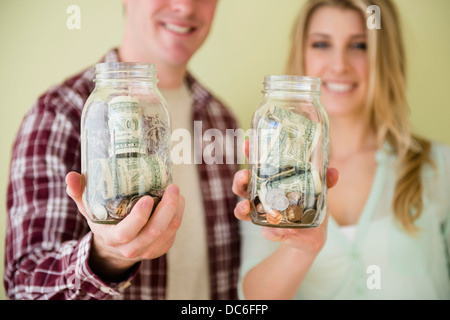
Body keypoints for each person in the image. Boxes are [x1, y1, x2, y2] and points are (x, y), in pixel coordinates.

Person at [5, 0, 240, 300]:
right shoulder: (59, 114)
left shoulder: (222, 119)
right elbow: (24, 288)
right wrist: (107, 260)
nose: (185, 6)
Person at [232, 0, 450, 299]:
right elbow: (253, 301)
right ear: (303, 53)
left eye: (359, 46)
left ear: (384, 56)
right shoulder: (271, 174)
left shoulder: (439, 166)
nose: (339, 65)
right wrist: (301, 249)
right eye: (322, 44)